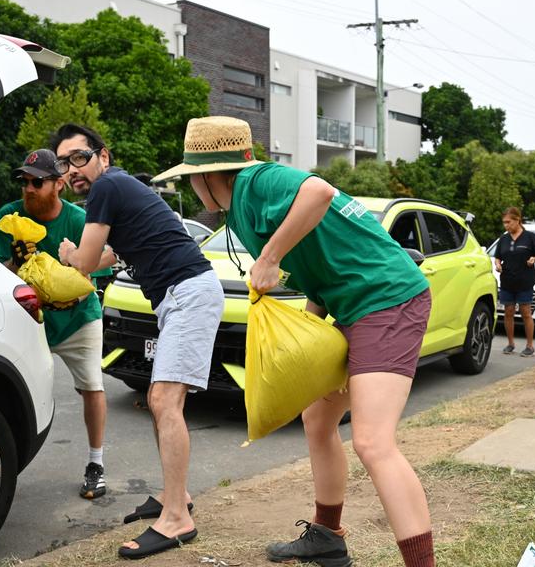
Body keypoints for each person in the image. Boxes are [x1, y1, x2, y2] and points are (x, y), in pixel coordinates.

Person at [155, 116, 437, 567]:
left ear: (210, 173)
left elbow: (319, 192)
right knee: (317, 418)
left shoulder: (256, 179)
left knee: (372, 442)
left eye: (192, 180)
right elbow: (318, 270)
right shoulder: (242, 213)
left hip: (388, 300)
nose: (193, 190)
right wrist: (308, 351)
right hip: (350, 306)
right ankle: (327, 536)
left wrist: (269, 258)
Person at [51, 124, 224, 560]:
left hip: (188, 293)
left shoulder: (106, 187)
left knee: (166, 400)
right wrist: (86, 257)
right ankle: (175, 497)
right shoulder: (120, 187)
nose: (71, 170)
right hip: (179, 296)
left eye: (78, 158)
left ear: (102, 156)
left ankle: (178, 521)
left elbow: (87, 263)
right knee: (158, 398)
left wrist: (70, 254)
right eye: (63, 163)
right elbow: (113, 255)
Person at [0, 149, 118, 500]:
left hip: (79, 317)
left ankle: (96, 464)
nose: (28, 188)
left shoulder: (80, 220)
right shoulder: (10, 216)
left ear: (59, 184)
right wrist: (15, 263)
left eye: (37, 181)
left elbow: (96, 276)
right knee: (10, 388)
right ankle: (0, 465)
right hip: (31, 320)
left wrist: (69, 289)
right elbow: (2, 275)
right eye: (24, 181)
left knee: (92, 386)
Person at [493, 207, 535, 357]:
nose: (506, 226)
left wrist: (533, 259)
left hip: (525, 281)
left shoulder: (530, 237)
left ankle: (530, 346)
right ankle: (510, 344)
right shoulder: (504, 239)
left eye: (508, 222)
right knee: (508, 312)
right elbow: (497, 256)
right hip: (507, 280)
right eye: (504, 223)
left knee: (526, 312)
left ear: (517, 220)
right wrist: (497, 264)